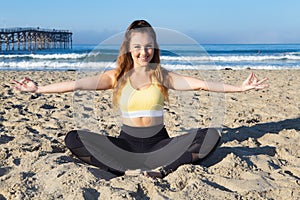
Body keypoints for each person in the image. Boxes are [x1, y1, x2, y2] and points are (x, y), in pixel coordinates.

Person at [12, 20, 268, 178]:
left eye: (148, 46)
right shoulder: (115, 76)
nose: (143, 52)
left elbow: (201, 85)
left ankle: (161, 169)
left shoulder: (162, 75)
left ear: (153, 47)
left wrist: (240, 88)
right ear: (128, 48)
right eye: (137, 46)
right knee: (74, 138)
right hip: (126, 146)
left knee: (212, 134)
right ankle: (122, 169)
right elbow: (76, 85)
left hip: (161, 146)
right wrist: (38, 90)